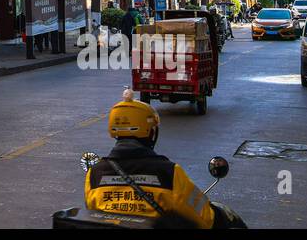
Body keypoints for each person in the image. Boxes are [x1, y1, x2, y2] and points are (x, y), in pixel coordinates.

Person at [83, 89, 216, 228]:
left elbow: (92, 215)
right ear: (151, 132)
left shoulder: (94, 174)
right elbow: (206, 218)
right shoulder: (170, 173)